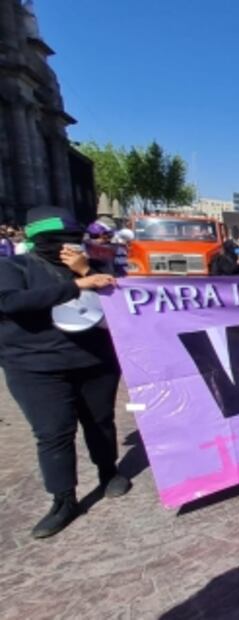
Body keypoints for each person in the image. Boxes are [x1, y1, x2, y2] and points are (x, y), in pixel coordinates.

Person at [0, 206, 130, 539]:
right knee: (53, 432)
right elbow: (12, 303)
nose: (66, 245)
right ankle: (63, 499)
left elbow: (122, 303)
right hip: (35, 367)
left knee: (100, 421)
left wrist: (86, 271)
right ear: (34, 239)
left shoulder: (95, 265)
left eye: (74, 239)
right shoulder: (13, 267)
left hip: (94, 362)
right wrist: (77, 284)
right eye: (55, 240)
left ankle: (108, 472)